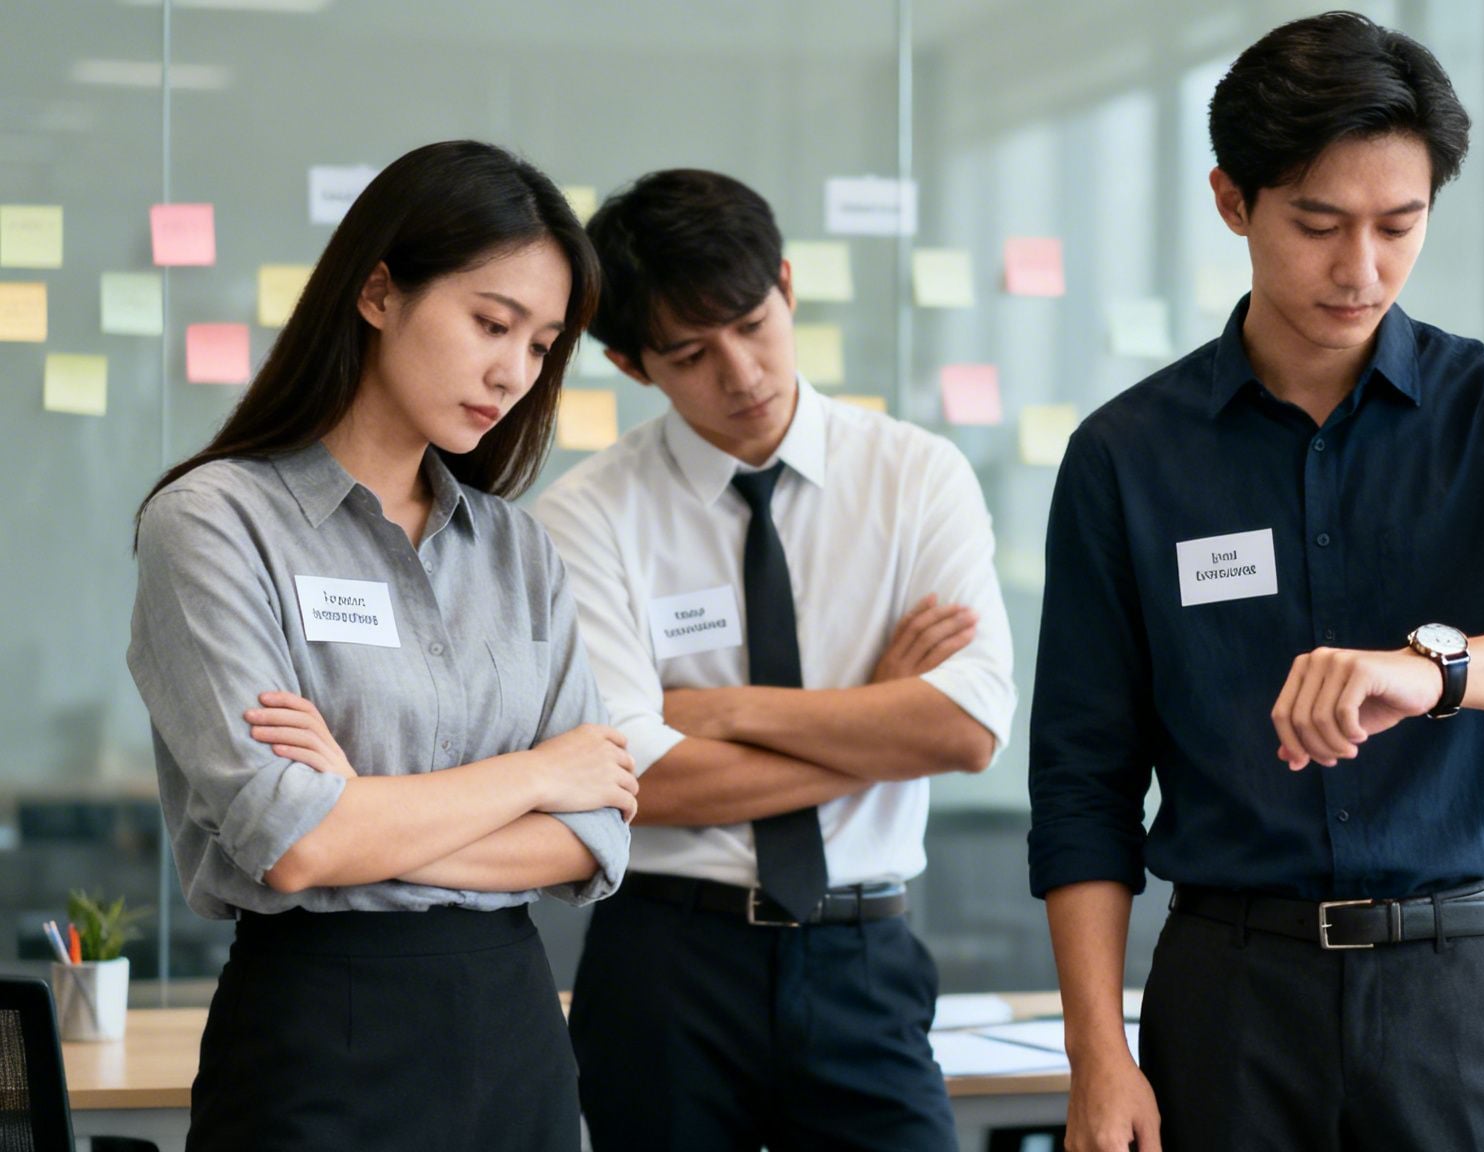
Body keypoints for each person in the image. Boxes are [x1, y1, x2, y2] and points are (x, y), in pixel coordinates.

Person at [1027, 12, 1484, 1152]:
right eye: (1318, 225)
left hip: (1464, 995)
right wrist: (1097, 1053)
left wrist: (1434, 672)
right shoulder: (1126, 456)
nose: (1361, 269)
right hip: (1229, 998)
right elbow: (1083, 784)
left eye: (1400, 225)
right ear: (1231, 202)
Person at [126, 139, 636, 1152]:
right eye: (491, 323)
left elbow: (594, 838)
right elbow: (296, 840)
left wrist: (359, 809)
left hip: (515, 1028)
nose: (512, 373)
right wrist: (538, 769)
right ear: (376, 292)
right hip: (320, 1034)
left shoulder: (516, 547)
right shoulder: (213, 523)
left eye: (539, 347)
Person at [535, 168, 1015, 1151]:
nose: (742, 374)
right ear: (633, 366)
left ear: (787, 287)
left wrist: (727, 710)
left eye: (753, 324)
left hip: (862, 952)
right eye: (691, 353)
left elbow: (964, 732)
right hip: (668, 958)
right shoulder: (584, 516)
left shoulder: (916, 476)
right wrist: (877, 714)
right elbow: (633, 782)